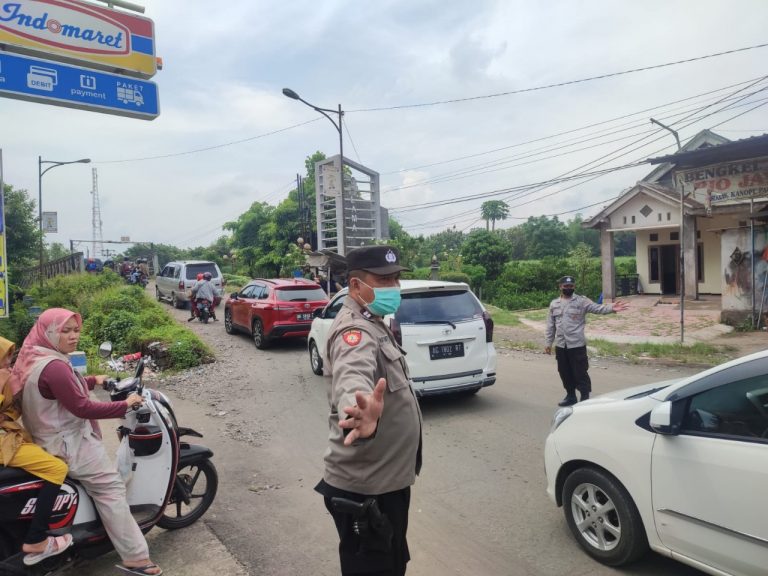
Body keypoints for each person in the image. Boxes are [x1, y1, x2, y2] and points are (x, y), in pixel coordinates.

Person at [9, 309, 163, 576]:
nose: (73, 336)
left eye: (76, 330)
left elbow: (63, 389)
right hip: (69, 444)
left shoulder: (35, 356)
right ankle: (137, 559)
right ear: (49, 333)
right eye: (65, 331)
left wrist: (94, 380)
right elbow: (82, 408)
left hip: (45, 438)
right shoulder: (55, 367)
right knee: (111, 489)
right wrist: (125, 405)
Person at [315, 245, 422, 576]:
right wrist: (359, 413)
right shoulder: (355, 331)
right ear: (355, 285)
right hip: (366, 491)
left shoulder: (373, 321)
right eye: (384, 280)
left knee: (392, 564)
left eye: (396, 279)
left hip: (383, 482)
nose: (394, 287)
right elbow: (353, 376)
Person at [0, 336, 73, 566]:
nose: (9, 362)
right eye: (5, 357)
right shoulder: (2, 378)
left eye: (10, 356)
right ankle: (36, 539)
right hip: (4, 443)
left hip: (9, 436)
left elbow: (13, 408)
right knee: (57, 468)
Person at [544, 275, 629, 407]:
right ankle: (571, 396)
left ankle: (585, 397)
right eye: (566, 286)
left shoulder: (581, 301)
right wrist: (548, 343)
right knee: (564, 372)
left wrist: (611, 308)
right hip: (561, 345)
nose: (568, 288)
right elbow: (550, 326)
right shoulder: (554, 304)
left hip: (577, 345)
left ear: (574, 287)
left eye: (571, 286)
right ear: (560, 287)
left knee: (580, 373)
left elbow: (597, 308)